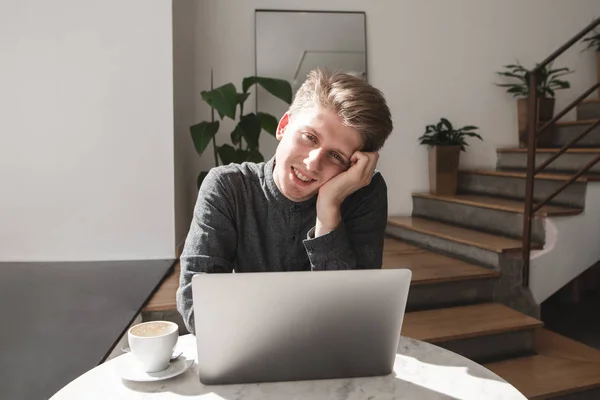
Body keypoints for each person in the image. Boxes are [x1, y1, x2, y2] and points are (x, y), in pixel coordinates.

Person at [176, 68, 393, 334]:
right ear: (283, 126)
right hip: (247, 352)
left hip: (328, 358)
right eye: (310, 137)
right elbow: (197, 308)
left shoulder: (363, 194)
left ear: (352, 166)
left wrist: (328, 211)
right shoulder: (227, 186)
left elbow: (354, 314)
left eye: (336, 156)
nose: (313, 163)